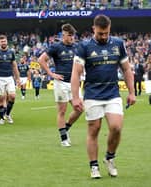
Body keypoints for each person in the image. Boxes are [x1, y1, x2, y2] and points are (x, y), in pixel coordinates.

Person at [71, 14, 136, 179]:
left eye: (106, 33)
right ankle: (94, 166)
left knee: (116, 127)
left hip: (112, 93)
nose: (104, 36)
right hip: (92, 94)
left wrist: (131, 92)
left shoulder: (118, 44)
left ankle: (110, 157)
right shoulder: (84, 46)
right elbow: (76, 73)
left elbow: (127, 69)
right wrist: (76, 97)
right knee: (94, 129)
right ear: (94, 29)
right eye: (101, 33)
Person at [38, 23, 82, 147]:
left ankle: (66, 128)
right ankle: (63, 139)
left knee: (79, 108)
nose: (73, 38)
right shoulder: (56, 47)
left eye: (73, 35)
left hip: (74, 83)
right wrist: (51, 74)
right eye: (70, 35)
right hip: (61, 83)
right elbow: (41, 60)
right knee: (62, 110)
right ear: (64, 35)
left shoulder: (77, 47)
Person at [0, 34, 20, 125]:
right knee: (1, 98)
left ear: (7, 41)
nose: (3, 43)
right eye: (1, 41)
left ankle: (7, 114)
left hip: (9, 78)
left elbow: (14, 66)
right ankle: (1, 118)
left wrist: (17, 78)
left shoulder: (11, 52)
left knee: (12, 96)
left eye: (4, 41)